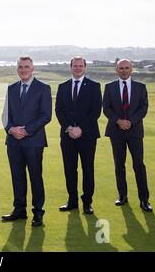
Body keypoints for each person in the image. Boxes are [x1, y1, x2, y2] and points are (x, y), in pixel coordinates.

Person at [1, 56, 52, 227]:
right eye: (20, 67)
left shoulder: (43, 88)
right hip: (13, 142)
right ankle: (19, 210)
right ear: (17, 69)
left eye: (26, 66)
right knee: (17, 177)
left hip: (34, 142)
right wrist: (11, 130)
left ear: (32, 68)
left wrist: (26, 130)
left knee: (35, 177)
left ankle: (38, 213)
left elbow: (46, 116)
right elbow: (5, 115)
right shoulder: (11, 88)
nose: (23, 69)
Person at [103, 59, 152, 212]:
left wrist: (130, 121)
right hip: (116, 132)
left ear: (132, 69)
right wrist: (118, 121)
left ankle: (144, 200)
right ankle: (122, 196)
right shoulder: (109, 87)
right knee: (119, 165)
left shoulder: (141, 87)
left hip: (135, 131)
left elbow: (143, 108)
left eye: (126, 68)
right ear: (116, 70)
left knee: (139, 165)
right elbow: (106, 108)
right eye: (121, 68)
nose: (124, 70)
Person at [55, 56, 102, 215]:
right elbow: (59, 111)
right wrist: (69, 127)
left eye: (81, 66)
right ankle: (72, 200)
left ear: (85, 67)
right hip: (67, 136)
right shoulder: (63, 87)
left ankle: (87, 202)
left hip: (88, 135)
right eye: (75, 65)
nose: (78, 68)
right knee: (69, 169)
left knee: (88, 169)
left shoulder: (94, 86)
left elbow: (95, 112)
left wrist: (81, 128)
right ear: (71, 67)